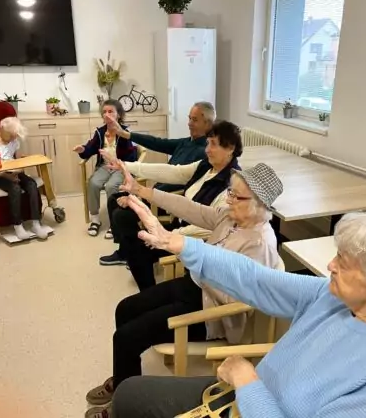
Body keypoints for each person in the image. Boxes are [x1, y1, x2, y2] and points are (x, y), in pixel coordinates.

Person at [110, 210, 366, 418]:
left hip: (250, 395)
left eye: (343, 264)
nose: (330, 265)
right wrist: (179, 244)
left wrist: (247, 381)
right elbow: (257, 280)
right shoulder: (334, 296)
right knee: (128, 395)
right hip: (244, 395)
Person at [84, 164, 284, 418]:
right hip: (194, 287)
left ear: (258, 204)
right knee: (125, 308)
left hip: (213, 312)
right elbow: (192, 209)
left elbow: (234, 300)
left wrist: (195, 260)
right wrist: (143, 191)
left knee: (126, 337)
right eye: (230, 192)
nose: (228, 200)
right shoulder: (232, 217)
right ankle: (123, 379)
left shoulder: (260, 244)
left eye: (236, 196)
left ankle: (121, 410)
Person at [99, 120, 243, 269]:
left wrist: (168, 235)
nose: (207, 150)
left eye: (213, 144)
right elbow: (173, 171)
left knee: (137, 250)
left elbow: (210, 229)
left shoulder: (231, 186)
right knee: (127, 226)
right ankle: (125, 253)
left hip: (192, 239)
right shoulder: (206, 165)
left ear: (230, 149)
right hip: (179, 223)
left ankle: (137, 266)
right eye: (207, 143)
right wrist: (125, 165)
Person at [100, 101, 214, 240]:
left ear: (208, 124)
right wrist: (125, 134)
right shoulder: (187, 142)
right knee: (113, 200)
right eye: (189, 118)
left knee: (121, 214)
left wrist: (142, 196)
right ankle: (124, 246)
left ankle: (134, 245)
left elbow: (178, 179)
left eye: (194, 120)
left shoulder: (205, 152)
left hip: (166, 200)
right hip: (154, 193)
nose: (189, 123)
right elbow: (157, 142)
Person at [73, 99, 137, 237]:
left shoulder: (125, 132)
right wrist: (82, 150)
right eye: (104, 112)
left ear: (118, 114)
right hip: (104, 166)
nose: (107, 114)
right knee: (93, 183)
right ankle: (95, 219)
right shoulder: (100, 132)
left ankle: (115, 222)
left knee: (111, 186)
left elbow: (131, 155)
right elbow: (90, 148)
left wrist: (117, 160)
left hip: (120, 167)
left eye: (110, 111)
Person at [0, 117, 49, 240]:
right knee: (15, 188)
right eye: (10, 135)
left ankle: (36, 223)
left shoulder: (14, 141)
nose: (13, 138)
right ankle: (18, 225)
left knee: (31, 184)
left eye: (14, 136)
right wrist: (7, 176)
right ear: (1, 128)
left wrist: (18, 171)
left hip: (12, 171)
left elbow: (17, 161)